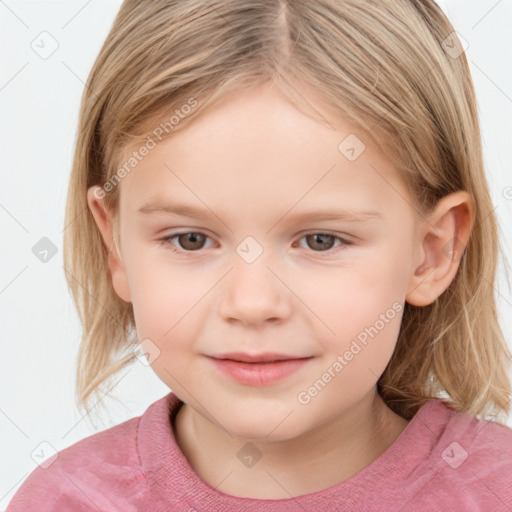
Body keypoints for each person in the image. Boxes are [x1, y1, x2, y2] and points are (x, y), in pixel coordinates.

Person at [7, 0, 512, 510]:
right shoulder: (65, 501)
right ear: (114, 246)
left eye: (321, 240)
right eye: (190, 239)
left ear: (432, 252)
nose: (251, 304)